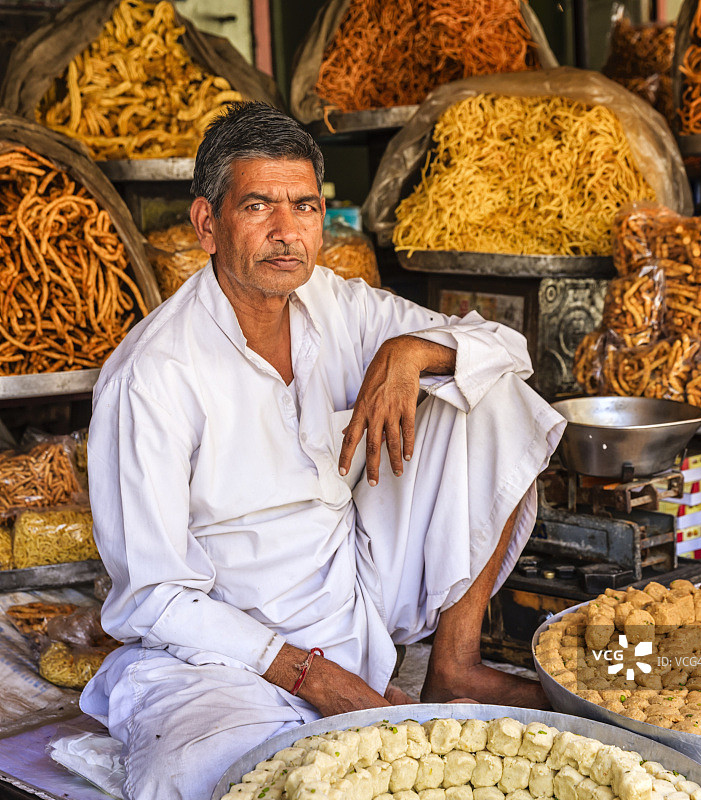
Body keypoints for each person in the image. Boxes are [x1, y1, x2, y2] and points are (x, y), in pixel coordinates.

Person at [81, 101, 565, 799]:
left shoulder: (337, 305)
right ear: (207, 224)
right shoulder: (153, 375)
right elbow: (155, 596)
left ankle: (455, 665)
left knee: (493, 392)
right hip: (223, 655)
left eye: (304, 206)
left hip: (356, 591)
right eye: (258, 207)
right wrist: (315, 678)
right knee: (220, 775)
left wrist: (411, 352)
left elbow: (508, 349)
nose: (286, 234)